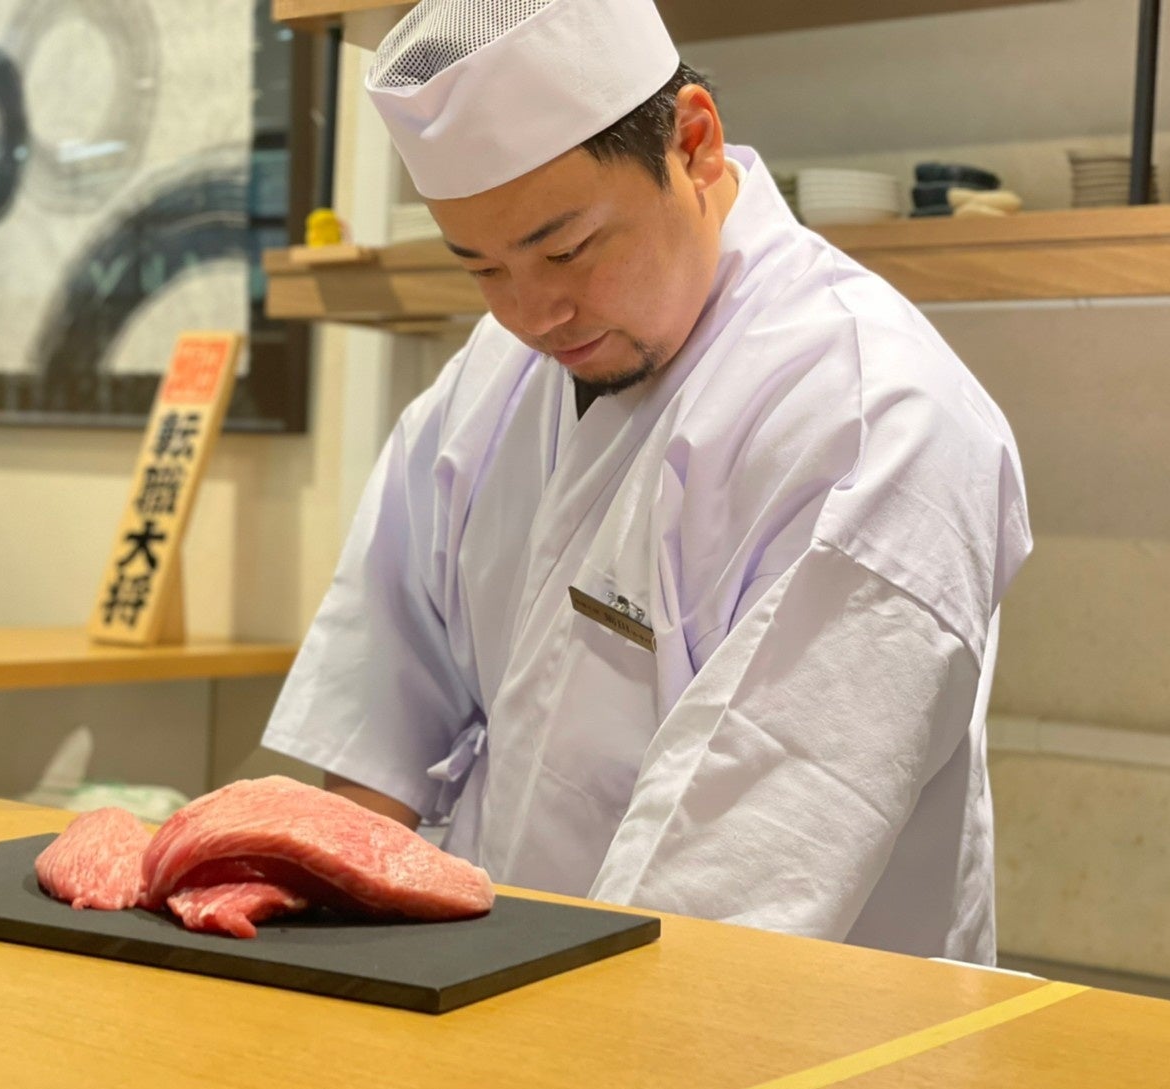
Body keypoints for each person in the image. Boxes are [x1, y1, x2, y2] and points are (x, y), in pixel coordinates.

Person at [261, 0, 1030, 964]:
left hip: (773, 1037)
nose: (533, 312)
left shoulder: (875, 419)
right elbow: (380, 710)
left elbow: (740, 874)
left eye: (568, 248)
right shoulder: (495, 376)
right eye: (483, 270)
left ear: (695, 144)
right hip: (494, 995)